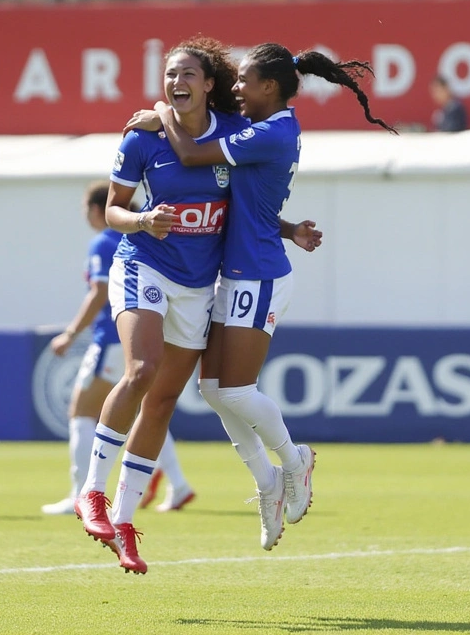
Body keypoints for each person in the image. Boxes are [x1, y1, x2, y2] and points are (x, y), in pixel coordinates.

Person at [78, 37, 322, 575]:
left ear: (207, 83)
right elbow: (115, 211)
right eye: (168, 75)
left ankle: (125, 520)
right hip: (148, 264)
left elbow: (236, 198)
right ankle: (92, 495)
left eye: (187, 73)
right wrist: (142, 220)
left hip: (206, 284)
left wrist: (163, 114)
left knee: (182, 397)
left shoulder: (236, 133)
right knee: (151, 374)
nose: (175, 82)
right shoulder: (141, 142)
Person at [141, 42, 394, 553]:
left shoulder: (273, 131)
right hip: (238, 271)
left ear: (270, 88)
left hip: (256, 276)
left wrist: (165, 112)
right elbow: (244, 206)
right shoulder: (269, 129)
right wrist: (288, 227)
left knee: (232, 391)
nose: (236, 88)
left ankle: (294, 460)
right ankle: (268, 482)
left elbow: (189, 152)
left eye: (244, 82)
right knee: (212, 390)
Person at [42, 181, 196, 517]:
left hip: (113, 337)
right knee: (146, 411)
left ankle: (80, 494)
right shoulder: (146, 235)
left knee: (82, 413)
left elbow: (98, 292)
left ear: (98, 209)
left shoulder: (103, 241)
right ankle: (179, 483)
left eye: (86, 209)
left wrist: (69, 334)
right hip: (150, 332)